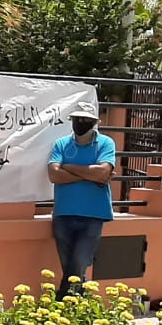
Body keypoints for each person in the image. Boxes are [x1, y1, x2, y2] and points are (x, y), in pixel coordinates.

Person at [48, 101, 115, 297]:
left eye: (86, 120)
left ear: (94, 122)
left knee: (77, 264)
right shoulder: (61, 144)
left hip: (94, 215)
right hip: (63, 213)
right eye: (77, 119)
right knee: (71, 268)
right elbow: (54, 175)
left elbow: (103, 172)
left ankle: (62, 300)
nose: (81, 123)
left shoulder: (106, 143)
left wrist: (67, 167)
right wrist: (90, 175)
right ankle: (80, 303)